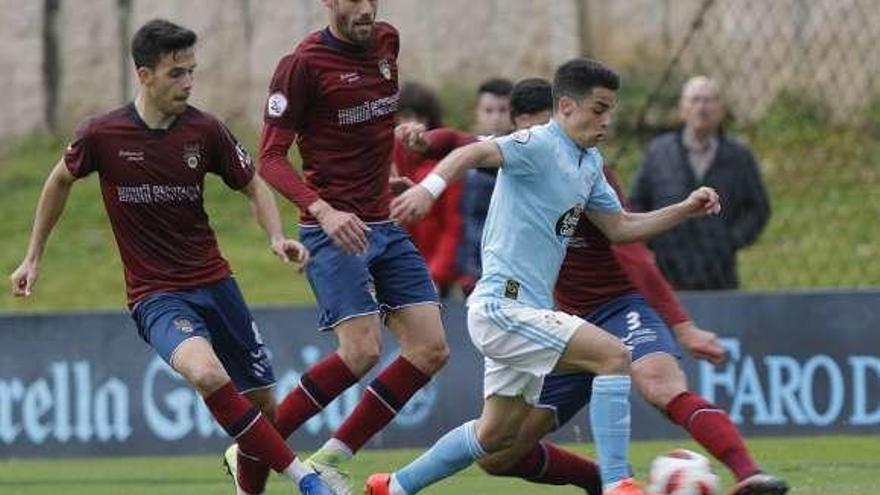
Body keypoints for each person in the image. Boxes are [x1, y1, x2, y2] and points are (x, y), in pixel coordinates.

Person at [366, 58, 722, 495]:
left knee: (494, 435)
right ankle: (618, 483)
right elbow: (471, 151)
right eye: (598, 108)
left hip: (524, 312)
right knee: (613, 355)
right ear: (567, 106)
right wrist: (428, 188)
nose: (606, 120)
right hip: (502, 305)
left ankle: (395, 486)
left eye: (611, 110)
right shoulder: (535, 143)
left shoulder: (588, 163)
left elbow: (621, 228)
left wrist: (685, 208)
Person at [8, 19, 332, 495]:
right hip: (155, 295)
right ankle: (307, 479)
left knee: (264, 406)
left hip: (216, 284)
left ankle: (250, 490)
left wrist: (276, 236)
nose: (188, 83)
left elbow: (253, 185)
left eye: (191, 72)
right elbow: (58, 180)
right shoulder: (102, 133)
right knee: (206, 372)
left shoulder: (205, 131)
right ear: (144, 75)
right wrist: (33, 256)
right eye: (176, 73)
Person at [471, 78, 789, 495]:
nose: (540, 141)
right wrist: (420, 168)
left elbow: (633, 250)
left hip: (619, 307)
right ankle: (604, 483)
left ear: (563, 114)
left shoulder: (588, 170)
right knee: (498, 454)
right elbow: (460, 148)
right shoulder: (518, 165)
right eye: (526, 132)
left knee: (660, 385)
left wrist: (681, 324)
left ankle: (749, 474)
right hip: (563, 323)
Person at [237, 1, 449, 494]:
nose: (367, 8)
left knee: (430, 348)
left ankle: (332, 458)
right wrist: (324, 211)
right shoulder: (301, 66)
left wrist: (389, 176)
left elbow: (369, 133)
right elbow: (269, 159)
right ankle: (257, 446)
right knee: (361, 351)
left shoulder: (387, 43)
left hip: (384, 224)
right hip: (330, 230)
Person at [630, 76, 771, 290]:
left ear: (721, 109)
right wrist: (654, 240)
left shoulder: (739, 156)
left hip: (720, 273)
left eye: (708, 100)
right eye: (694, 100)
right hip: (666, 271)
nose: (701, 108)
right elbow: (637, 203)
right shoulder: (658, 152)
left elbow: (758, 208)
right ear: (682, 109)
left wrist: (731, 241)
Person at [393, 82, 463, 296]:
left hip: (435, 272)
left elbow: (453, 225)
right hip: (396, 269)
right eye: (405, 118)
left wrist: (436, 275)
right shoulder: (387, 158)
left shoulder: (446, 164)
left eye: (419, 119)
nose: (411, 126)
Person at [456, 78, 515, 294]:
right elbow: (461, 219)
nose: (496, 117)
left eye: (503, 110)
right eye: (489, 110)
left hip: (513, 269)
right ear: (477, 113)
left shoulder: (524, 155)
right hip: (473, 268)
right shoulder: (464, 159)